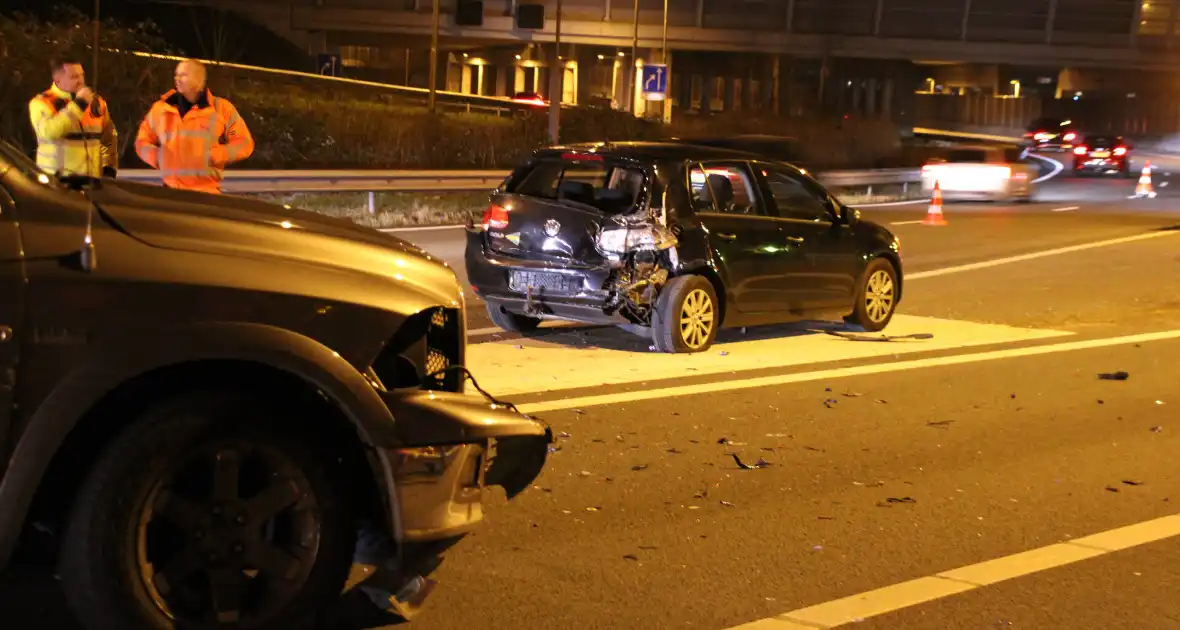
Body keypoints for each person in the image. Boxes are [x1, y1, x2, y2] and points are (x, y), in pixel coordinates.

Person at [134, 59, 254, 194]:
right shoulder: (160, 109)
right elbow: (142, 141)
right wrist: (156, 157)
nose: (177, 79)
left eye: (183, 75)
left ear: (199, 80)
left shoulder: (221, 109)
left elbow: (244, 143)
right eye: (176, 74)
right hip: (170, 192)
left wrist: (214, 155)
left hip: (206, 195)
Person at [28, 57, 118, 179]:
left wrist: (109, 168)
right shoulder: (41, 103)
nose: (80, 80)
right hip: (57, 183)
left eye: (82, 75)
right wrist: (78, 105)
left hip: (92, 182)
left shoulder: (97, 102)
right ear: (57, 80)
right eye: (74, 77)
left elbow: (109, 138)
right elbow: (48, 132)